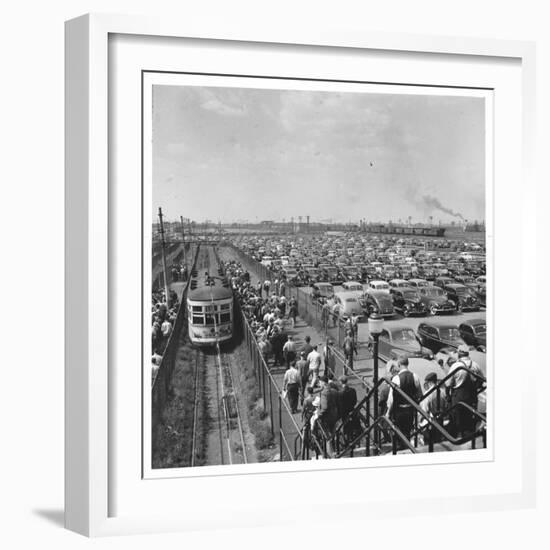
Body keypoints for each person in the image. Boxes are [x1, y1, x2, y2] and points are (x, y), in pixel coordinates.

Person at [446, 344, 483, 437]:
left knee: (458, 420)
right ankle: (469, 437)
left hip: (458, 397)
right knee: (469, 420)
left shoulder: (456, 366)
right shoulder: (475, 365)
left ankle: (459, 437)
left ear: (459, 353)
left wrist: (448, 396)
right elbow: (482, 379)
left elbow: (447, 383)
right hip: (471, 397)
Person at [386, 355, 422, 445]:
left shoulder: (396, 379)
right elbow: (419, 394)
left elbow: (391, 400)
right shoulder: (415, 376)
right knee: (408, 432)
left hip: (399, 411)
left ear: (399, 364)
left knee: (399, 433)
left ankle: (399, 448)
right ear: (407, 364)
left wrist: (388, 412)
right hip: (410, 410)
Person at [339, 376, 359, 443]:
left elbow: (340, 404)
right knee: (352, 423)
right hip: (351, 409)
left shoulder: (341, 393)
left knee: (345, 424)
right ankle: (352, 437)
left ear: (340, 382)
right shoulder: (353, 390)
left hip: (344, 411)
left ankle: (347, 439)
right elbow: (355, 401)